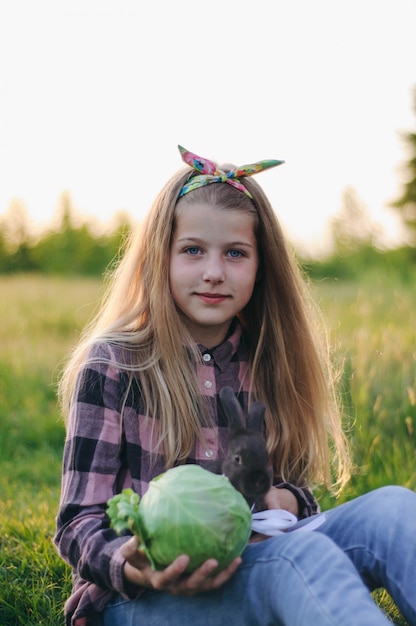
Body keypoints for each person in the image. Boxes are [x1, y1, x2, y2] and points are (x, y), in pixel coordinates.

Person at [54, 145, 416, 626]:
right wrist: (137, 565)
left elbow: (292, 490)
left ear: (262, 265)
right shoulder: (115, 363)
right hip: (144, 596)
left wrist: (280, 499)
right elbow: (78, 522)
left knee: (394, 510)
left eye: (235, 253)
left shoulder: (269, 357)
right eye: (192, 250)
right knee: (298, 560)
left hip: (257, 560)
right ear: (159, 256)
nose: (213, 272)